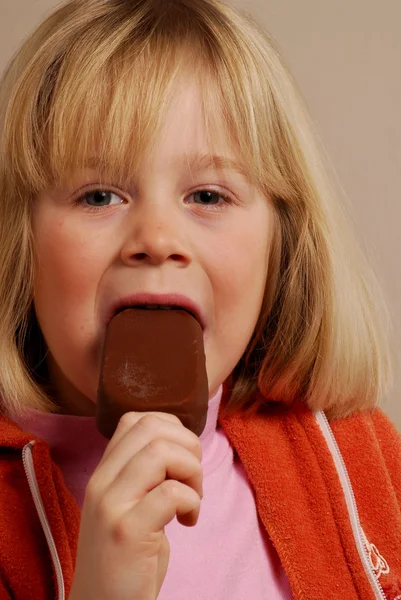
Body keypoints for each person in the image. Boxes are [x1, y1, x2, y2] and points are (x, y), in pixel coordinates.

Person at [0, 0, 400, 598]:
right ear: (18, 241)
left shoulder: (359, 463)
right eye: (100, 196)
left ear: (281, 247)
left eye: (209, 196)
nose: (157, 239)